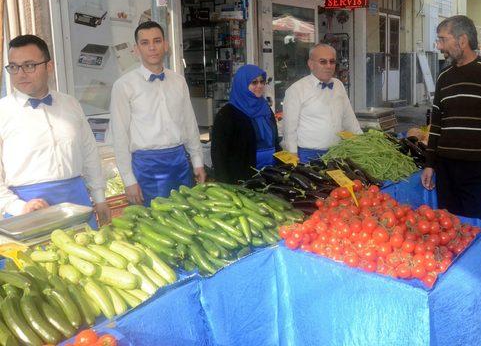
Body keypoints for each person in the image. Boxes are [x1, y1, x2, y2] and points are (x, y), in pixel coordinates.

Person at [420, 15, 481, 332]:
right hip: (447, 170)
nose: (440, 45)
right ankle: (458, 300)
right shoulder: (444, 77)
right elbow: (437, 125)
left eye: (443, 39)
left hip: (480, 172)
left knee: (477, 235)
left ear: (462, 40)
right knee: (448, 233)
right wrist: (430, 163)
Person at [0, 35, 108, 226]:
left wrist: (99, 197)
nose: (21, 74)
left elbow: (89, 152)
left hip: (77, 201)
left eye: (29, 65)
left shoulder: (70, 104)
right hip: (28, 209)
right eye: (14, 67)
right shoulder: (3, 112)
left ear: (49, 66)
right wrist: (18, 207)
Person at [109, 21, 205, 207]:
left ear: (166, 45)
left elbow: (189, 124)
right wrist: (128, 180)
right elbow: (120, 136)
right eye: (145, 43)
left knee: (185, 219)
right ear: (136, 49)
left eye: (157, 41)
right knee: (153, 225)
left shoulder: (178, 81)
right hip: (146, 167)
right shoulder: (124, 86)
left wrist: (197, 161)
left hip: (179, 162)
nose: (152, 47)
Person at [282, 43, 362, 163]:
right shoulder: (296, 90)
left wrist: (362, 141)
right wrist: (293, 158)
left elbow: (349, 118)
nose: (329, 66)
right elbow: (289, 129)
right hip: (307, 155)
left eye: (332, 61)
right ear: (311, 64)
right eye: (323, 62)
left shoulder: (338, 85)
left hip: (337, 153)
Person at [212, 65, 280, 182]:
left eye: (262, 82)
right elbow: (219, 153)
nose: (259, 86)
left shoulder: (265, 108)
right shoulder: (227, 114)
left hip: (271, 174)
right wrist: (224, 182)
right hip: (242, 177)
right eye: (254, 82)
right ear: (242, 84)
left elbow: (275, 141)